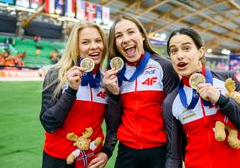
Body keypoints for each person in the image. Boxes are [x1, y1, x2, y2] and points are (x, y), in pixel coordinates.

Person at [163, 28, 240, 168]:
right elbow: (173, 156)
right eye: (173, 51)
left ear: (200, 52)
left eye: (186, 48)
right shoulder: (171, 101)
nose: (179, 55)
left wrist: (222, 100)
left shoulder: (229, 80)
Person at [101, 14, 179, 168]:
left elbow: (176, 116)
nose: (125, 39)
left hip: (160, 152)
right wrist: (114, 95)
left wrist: (176, 157)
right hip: (126, 152)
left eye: (131, 32)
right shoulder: (114, 72)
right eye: (119, 36)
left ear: (142, 35)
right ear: (115, 43)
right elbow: (112, 121)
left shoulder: (164, 66)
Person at [40, 21, 109, 168]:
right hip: (58, 160)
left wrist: (107, 151)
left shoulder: (107, 80)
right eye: (85, 42)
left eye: (98, 40)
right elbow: (48, 123)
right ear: (76, 47)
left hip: (91, 160)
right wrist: (71, 90)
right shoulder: (56, 74)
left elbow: (114, 125)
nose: (94, 46)